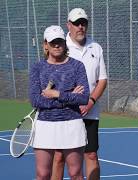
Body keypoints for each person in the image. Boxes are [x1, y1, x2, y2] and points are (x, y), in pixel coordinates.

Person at [51, 8, 107, 180]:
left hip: (90, 113)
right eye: (76, 23)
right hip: (65, 113)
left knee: (91, 155)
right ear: (69, 25)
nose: (80, 27)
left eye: (83, 23)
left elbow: (102, 80)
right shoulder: (59, 46)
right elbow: (50, 81)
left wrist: (90, 101)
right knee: (60, 156)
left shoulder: (95, 48)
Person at [29, 25, 90, 180]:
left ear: (64, 43)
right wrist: (69, 97)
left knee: (76, 174)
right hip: (45, 125)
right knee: (42, 175)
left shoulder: (77, 66)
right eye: (52, 42)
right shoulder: (37, 68)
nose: (56, 45)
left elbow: (83, 98)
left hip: (72, 124)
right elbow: (35, 100)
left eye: (60, 42)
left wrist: (56, 94)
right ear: (45, 45)